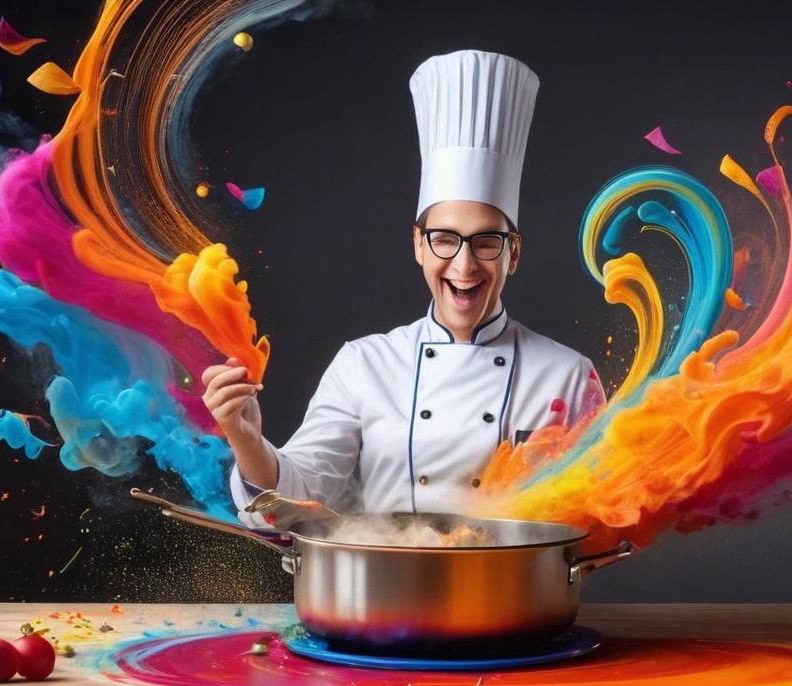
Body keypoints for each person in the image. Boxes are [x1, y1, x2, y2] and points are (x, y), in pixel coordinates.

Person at [201, 49, 605, 524]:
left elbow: (600, 515)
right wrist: (247, 440)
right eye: (445, 239)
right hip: (384, 572)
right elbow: (300, 496)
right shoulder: (364, 365)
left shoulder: (569, 375)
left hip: (512, 575)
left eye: (486, 242)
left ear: (513, 252)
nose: (464, 263)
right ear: (418, 244)